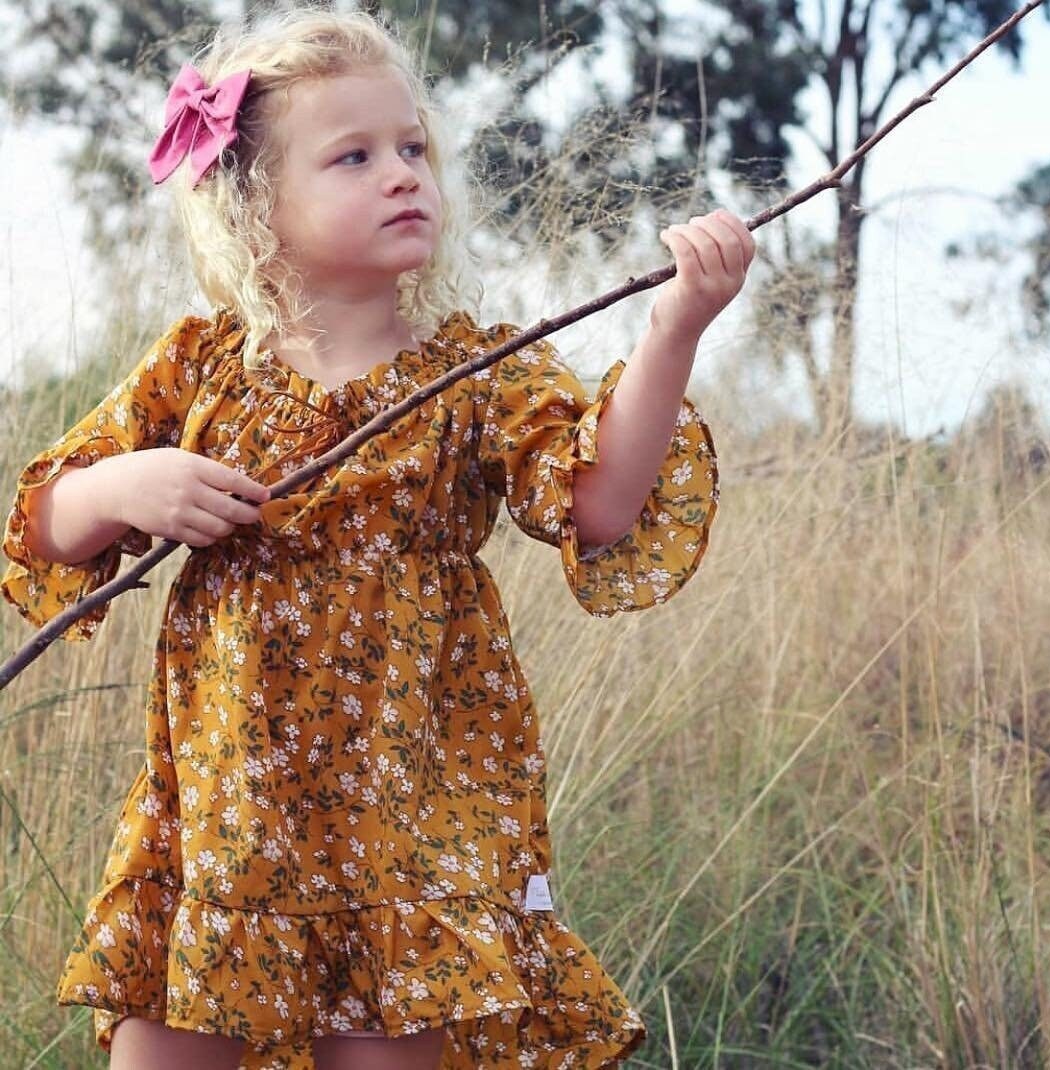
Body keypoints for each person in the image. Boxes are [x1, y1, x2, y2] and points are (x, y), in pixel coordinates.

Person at [1, 7, 753, 1070]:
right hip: (228, 814)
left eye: (413, 149)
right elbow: (41, 524)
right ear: (257, 199)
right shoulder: (208, 365)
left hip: (408, 816)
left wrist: (673, 329)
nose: (402, 173)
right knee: (164, 1045)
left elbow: (600, 504)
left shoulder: (478, 373)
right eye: (354, 155)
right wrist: (132, 482)